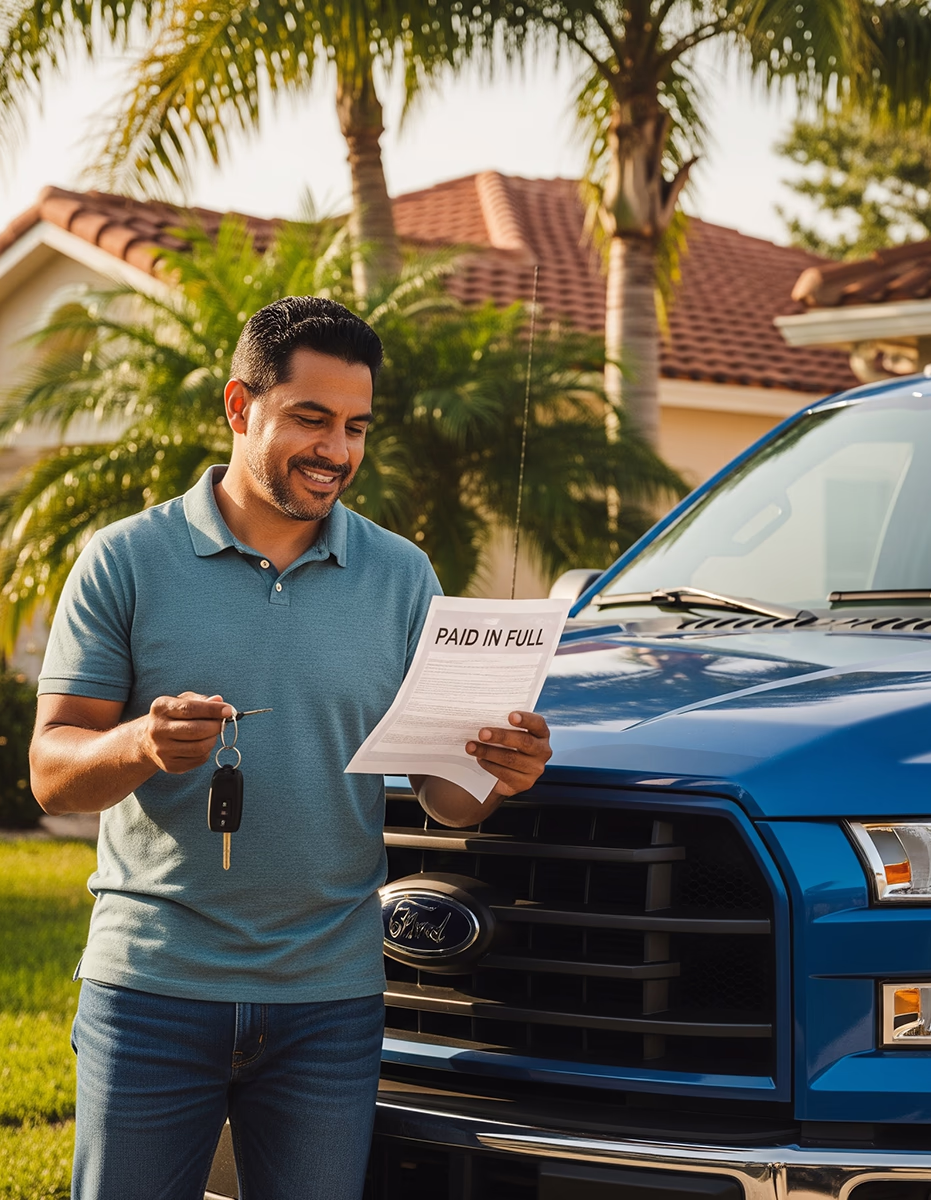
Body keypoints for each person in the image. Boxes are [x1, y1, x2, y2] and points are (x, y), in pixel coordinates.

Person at [28, 296, 553, 1200]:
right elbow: (52, 774)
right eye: (310, 418)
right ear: (241, 407)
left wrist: (500, 771)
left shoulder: (402, 575)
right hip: (153, 989)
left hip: (330, 1002)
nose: (337, 451)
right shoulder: (125, 559)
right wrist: (145, 744)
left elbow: (447, 798)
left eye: (356, 426)